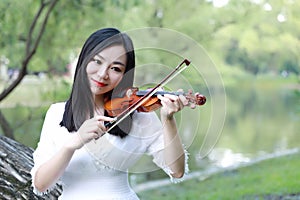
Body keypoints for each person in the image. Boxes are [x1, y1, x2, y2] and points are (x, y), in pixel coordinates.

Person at [31, 27, 190, 200]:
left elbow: (177, 171)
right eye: (97, 61)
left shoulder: (137, 115)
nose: (102, 74)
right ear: (84, 60)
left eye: (115, 68)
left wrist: (168, 119)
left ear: (124, 75)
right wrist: (74, 143)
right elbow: (41, 184)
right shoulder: (56, 113)